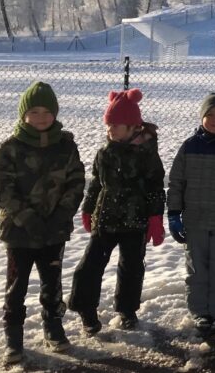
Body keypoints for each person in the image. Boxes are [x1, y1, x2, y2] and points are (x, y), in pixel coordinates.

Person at [0, 81, 85, 363]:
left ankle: (53, 328)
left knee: (52, 283)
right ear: (23, 115)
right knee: (16, 287)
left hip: (54, 231)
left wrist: (60, 216)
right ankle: (13, 337)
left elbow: (76, 183)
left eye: (46, 111)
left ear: (55, 113)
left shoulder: (66, 147)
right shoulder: (9, 149)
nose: (41, 117)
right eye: (34, 111)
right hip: (20, 232)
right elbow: (1, 189)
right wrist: (28, 219)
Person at [70, 89, 165, 334]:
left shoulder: (147, 153)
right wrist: (89, 209)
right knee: (89, 266)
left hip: (135, 221)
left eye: (116, 125)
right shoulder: (105, 152)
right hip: (106, 219)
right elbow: (96, 183)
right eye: (109, 124)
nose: (110, 129)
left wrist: (155, 217)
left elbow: (155, 186)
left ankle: (127, 310)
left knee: (131, 267)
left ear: (133, 126)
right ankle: (86, 310)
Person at [166, 92, 215, 337]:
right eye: (210, 114)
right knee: (196, 271)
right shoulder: (189, 146)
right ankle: (200, 312)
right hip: (194, 221)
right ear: (202, 116)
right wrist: (174, 213)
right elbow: (176, 182)